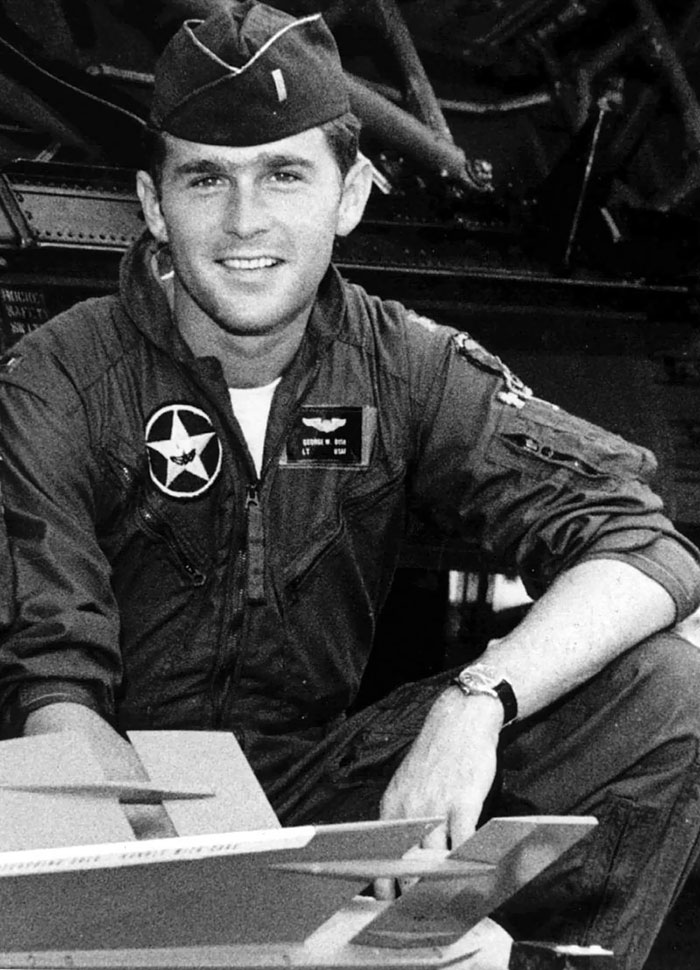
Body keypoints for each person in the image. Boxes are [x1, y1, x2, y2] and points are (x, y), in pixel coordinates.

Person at [1, 3, 700, 966]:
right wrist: (172, 890)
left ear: (352, 195)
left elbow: (640, 543)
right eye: (206, 178)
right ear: (154, 205)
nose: (245, 221)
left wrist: (476, 703)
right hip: (102, 791)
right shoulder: (59, 380)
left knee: (670, 689)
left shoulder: (403, 366)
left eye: (285, 174)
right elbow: (55, 685)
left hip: (315, 791)